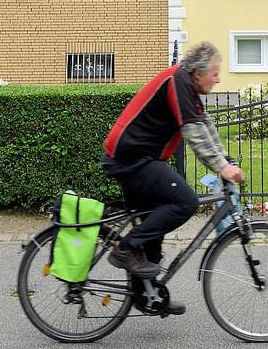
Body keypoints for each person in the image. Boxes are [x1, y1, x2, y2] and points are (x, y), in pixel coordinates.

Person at [100, 41, 244, 313]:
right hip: (130, 158)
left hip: (139, 158)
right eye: (215, 73)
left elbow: (205, 126)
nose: (218, 78)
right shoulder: (178, 81)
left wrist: (224, 160)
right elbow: (192, 133)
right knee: (186, 202)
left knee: (154, 225)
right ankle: (125, 248)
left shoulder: (187, 87)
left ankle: (148, 296)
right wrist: (221, 168)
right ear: (199, 73)